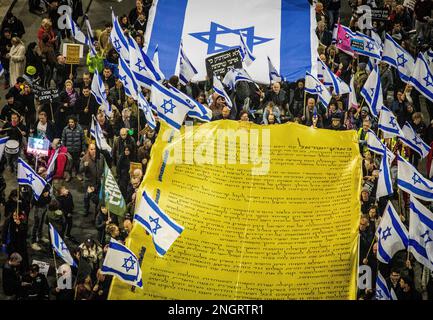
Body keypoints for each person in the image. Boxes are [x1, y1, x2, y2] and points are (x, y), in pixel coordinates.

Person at [80, 143, 104, 217]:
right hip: (89, 183)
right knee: (87, 197)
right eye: (91, 149)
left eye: (94, 149)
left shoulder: (101, 156)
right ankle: (86, 209)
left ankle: (97, 213)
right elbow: (80, 170)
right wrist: (84, 166)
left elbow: (104, 167)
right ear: (88, 150)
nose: (93, 151)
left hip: (98, 182)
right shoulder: (85, 158)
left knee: (98, 198)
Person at [61, 116, 86, 181]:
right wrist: (63, 150)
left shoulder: (80, 129)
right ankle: (68, 175)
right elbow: (63, 140)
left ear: (75, 122)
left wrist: (83, 150)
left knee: (77, 163)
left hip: (77, 150)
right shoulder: (65, 129)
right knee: (68, 164)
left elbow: (83, 140)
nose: (71, 123)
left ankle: (78, 174)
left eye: (72, 122)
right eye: (69, 122)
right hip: (68, 150)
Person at [30, 187, 51, 251]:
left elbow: (49, 199)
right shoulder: (37, 189)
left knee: (41, 223)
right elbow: (34, 201)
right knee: (36, 224)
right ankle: (33, 242)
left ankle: (40, 237)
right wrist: (44, 197)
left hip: (44, 207)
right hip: (38, 208)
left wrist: (47, 196)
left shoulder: (45, 185)